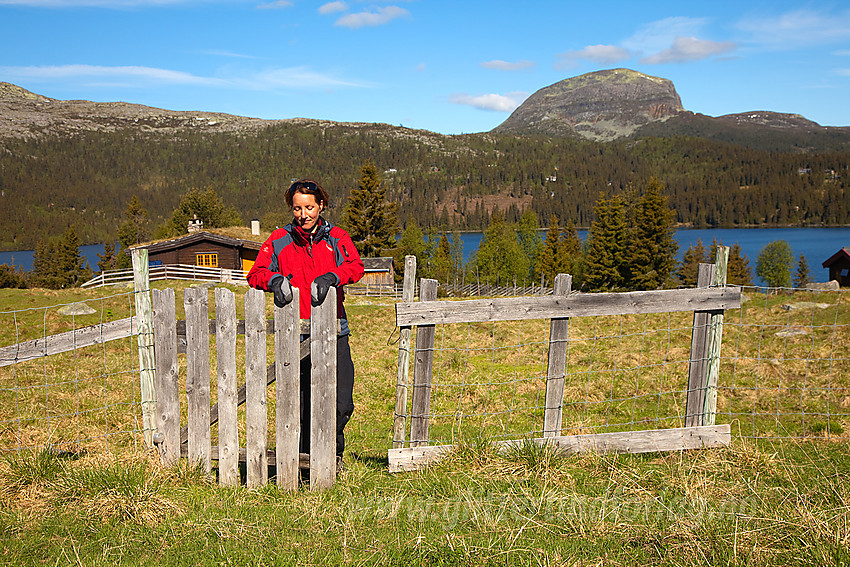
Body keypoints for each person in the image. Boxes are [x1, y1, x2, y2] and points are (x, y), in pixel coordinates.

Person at [247, 179, 364, 471]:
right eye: (298, 208)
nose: (304, 214)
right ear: (292, 209)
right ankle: (303, 463)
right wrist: (273, 280)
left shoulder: (337, 237)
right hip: (296, 334)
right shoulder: (278, 240)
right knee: (300, 404)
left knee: (341, 402)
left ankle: (331, 455)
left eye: (309, 207)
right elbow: (255, 273)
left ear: (321, 206)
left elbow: (356, 266)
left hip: (334, 330)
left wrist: (332, 277)